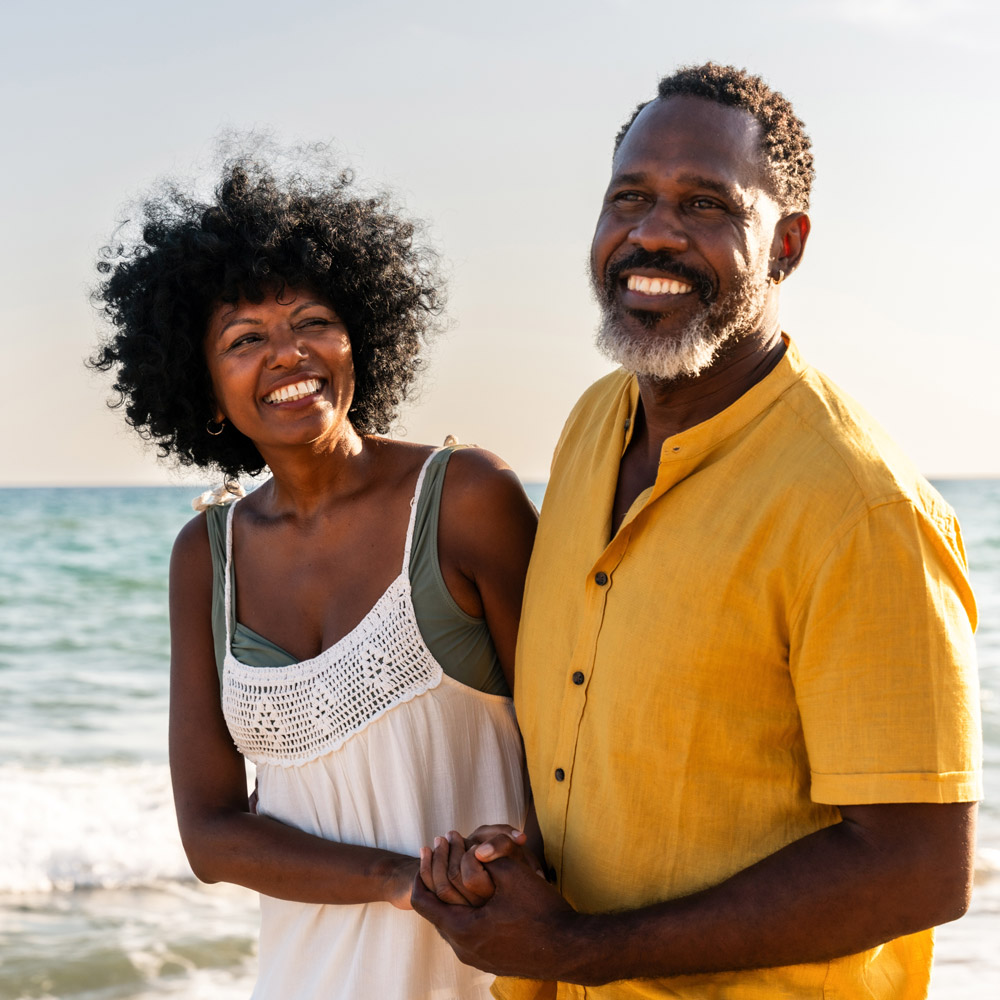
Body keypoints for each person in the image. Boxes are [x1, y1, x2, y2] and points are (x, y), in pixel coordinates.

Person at [412, 63, 982, 999]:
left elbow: (917, 867)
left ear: (786, 244)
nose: (654, 233)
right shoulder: (595, 421)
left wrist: (581, 950)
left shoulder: (863, 510)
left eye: (707, 205)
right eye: (629, 196)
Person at [91, 156, 537, 999]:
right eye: (245, 338)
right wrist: (401, 878)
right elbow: (213, 834)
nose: (288, 353)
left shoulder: (465, 498)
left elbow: (573, 751)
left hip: (486, 977)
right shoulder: (206, 557)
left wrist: (534, 897)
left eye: (312, 321)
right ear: (208, 392)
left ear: (358, 336)